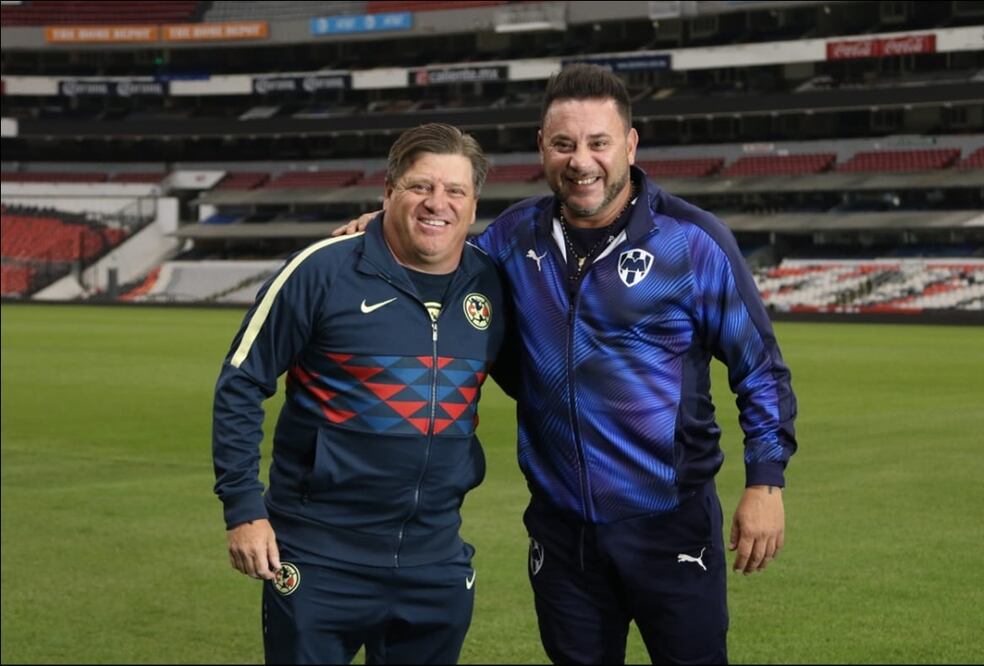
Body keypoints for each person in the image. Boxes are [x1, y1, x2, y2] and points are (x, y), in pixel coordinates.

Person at [334, 64, 797, 665]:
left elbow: (759, 367)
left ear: (629, 144)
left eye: (599, 143)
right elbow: (441, 252)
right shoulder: (510, 237)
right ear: (542, 149)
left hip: (670, 523)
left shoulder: (693, 241)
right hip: (561, 529)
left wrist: (765, 482)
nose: (582, 161)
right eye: (564, 144)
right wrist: (387, 221)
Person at [212, 123, 508, 665]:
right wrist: (243, 508)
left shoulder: (493, 282)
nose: (436, 202)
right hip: (320, 557)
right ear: (388, 191)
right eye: (420, 186)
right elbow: (241, 382)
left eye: (455, 191)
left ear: (473, 205)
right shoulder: (321, 270)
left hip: (435, 562)